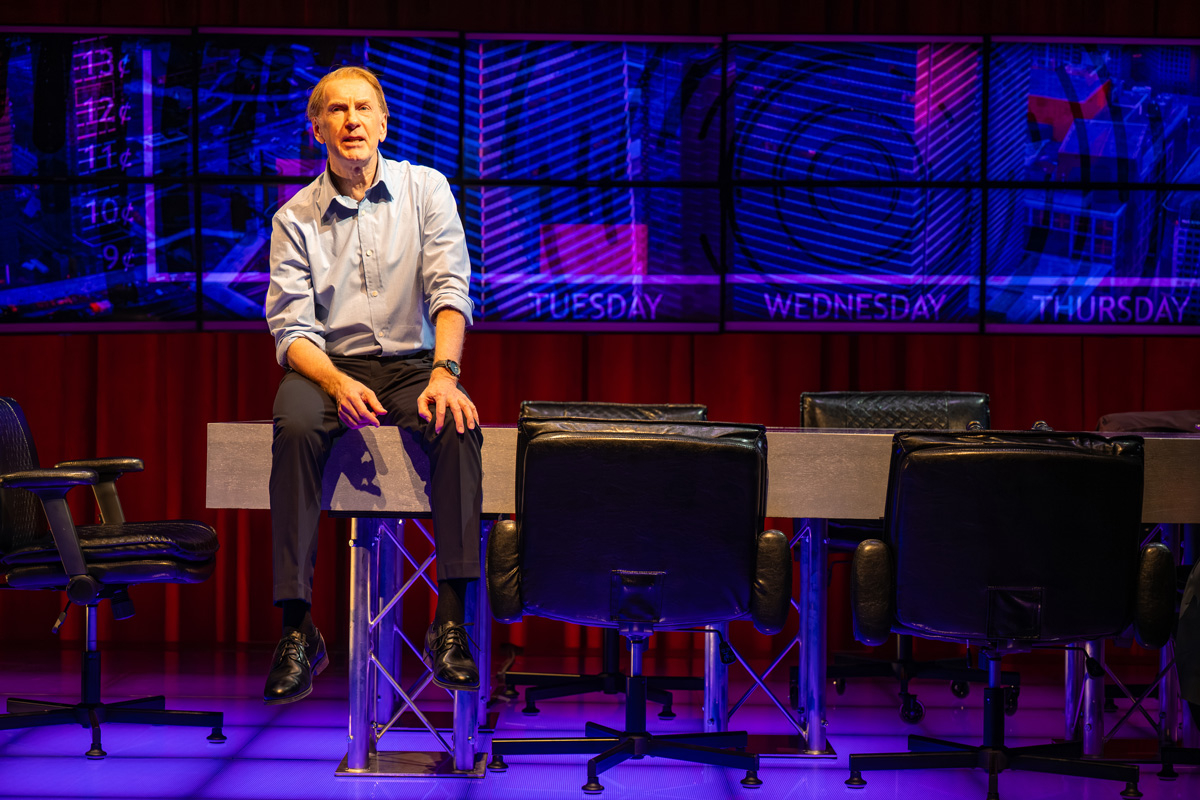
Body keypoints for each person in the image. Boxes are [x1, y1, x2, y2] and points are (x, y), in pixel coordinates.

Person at [262, 65, 483, 704]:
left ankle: (451, 620)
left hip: (417, 362)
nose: (351, 121)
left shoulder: (427, 189)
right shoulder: (294, 218)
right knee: (297, 422)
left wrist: (445, 373)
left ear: (384, 121)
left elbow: (450, 289)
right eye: (337, 110)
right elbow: (291, 328)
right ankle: (297, 630)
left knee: (456, 419)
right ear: (317, 128)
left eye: (363, 108)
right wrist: (334, 382)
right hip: (331, 366)